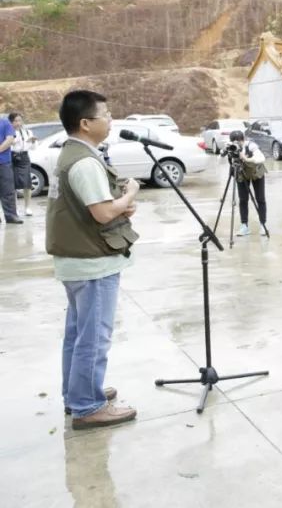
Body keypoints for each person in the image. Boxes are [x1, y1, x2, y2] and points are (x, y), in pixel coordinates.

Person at [47, 90, 139, 429]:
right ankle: (87, 406)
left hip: (75, 262)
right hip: (91, 264)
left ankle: (78, 394)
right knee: (94, 336)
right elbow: (101, 213)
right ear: (86, 124)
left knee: (78, 332)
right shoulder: (85, 162)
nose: (111, 119)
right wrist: (129, 194)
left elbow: (92, 206)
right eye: (106, 114)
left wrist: (120, 204)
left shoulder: (71, 154)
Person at [228, 130, 268, 237]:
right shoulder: (232, 148)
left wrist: (246, 158)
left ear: (243, 140)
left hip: (256, 173)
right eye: (234, 142)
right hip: (242, 173)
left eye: (239, 142)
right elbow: (220, 159)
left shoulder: (251, 146)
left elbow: (261, 158)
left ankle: (263, 225)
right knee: (243, 200)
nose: (237, 144)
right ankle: (244, 226)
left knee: (260, 199)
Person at [9, 112, 37, 217]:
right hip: (12, 157)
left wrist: (32, 141)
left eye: (19, 120)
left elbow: (33, 148)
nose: (18, 123)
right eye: (15, 121)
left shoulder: (27, 132)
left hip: (24, 157)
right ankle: (14, 209)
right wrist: (15, 141)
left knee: (27, 183)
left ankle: (27, 207)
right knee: (12, 184)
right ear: (11, 122)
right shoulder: (8, 132)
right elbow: (9, 145)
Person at [0, 112, 20, 224]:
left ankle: (11, 216)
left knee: (8, 190)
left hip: (4, 162)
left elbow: (10, 139)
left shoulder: (5, 122)